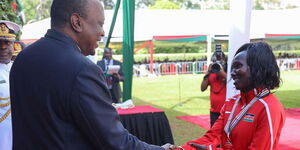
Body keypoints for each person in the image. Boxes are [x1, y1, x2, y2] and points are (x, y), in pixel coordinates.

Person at [10, 0, 174, 150]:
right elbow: (116, 142)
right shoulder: (83, 69)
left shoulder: (23, 58)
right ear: (77, 22)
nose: (102, 32)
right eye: (100, 24)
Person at [178, 42, 285, 150]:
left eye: (238, 66)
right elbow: (211, 137)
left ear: (257, 68)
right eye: (232, 68)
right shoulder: (231, 103)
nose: (232, 73)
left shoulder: (269, 107)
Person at [0, 20, 20, 150]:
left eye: (7, 42)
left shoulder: (21, 69)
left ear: (14, 45)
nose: (3, 47)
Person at [201, 45, 227, 127]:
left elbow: (232, 83)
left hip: (226, 110)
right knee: (214, 134)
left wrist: (222, 73)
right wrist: (208, 73)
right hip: (214, 111)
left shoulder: (228, 71)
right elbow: (202, 88)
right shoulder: (211, 73)